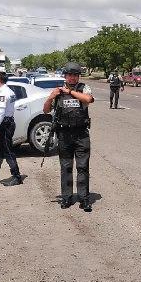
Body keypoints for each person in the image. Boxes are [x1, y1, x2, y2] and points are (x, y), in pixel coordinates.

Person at [44, 62, 95, 211]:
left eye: (75, 75)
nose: (72, 78)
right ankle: (66, 198)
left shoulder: (84, 88)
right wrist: (50, 97)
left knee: (82, 167)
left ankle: (84, 199)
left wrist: (70, 92)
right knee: (65, 167)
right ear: (65, 76)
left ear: (78, 76)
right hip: (64, 135)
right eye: (70, 75)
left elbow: (88, 100)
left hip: (81, 134)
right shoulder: (58, 92)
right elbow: (46, 110)